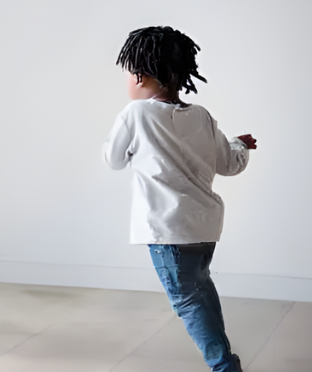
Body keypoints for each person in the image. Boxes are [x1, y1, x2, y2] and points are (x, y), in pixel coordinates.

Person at [103, 26, 257, 372]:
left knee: (188, 300)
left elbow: (113, 159)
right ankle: (226, 359)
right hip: (205, 227)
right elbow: (229, 164)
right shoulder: (201, 116)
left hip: (169, 231)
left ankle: (224, 366)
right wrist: (241, 146)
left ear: (141, 76)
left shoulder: (135, 114)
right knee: (200, 288)